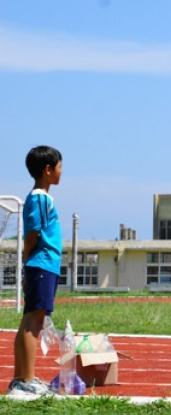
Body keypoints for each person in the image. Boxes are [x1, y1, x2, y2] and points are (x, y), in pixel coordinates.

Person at [8, 146, 64, 397]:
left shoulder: (39, 198)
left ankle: (20, 378)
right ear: (47, 170)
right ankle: (27, 379)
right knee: (34, 322)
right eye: (60, 167)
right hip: (42, 263)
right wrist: (27, 261)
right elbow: (33, 234)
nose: (62, 172)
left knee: (29, 320)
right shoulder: (41, 198)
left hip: (40, 265)